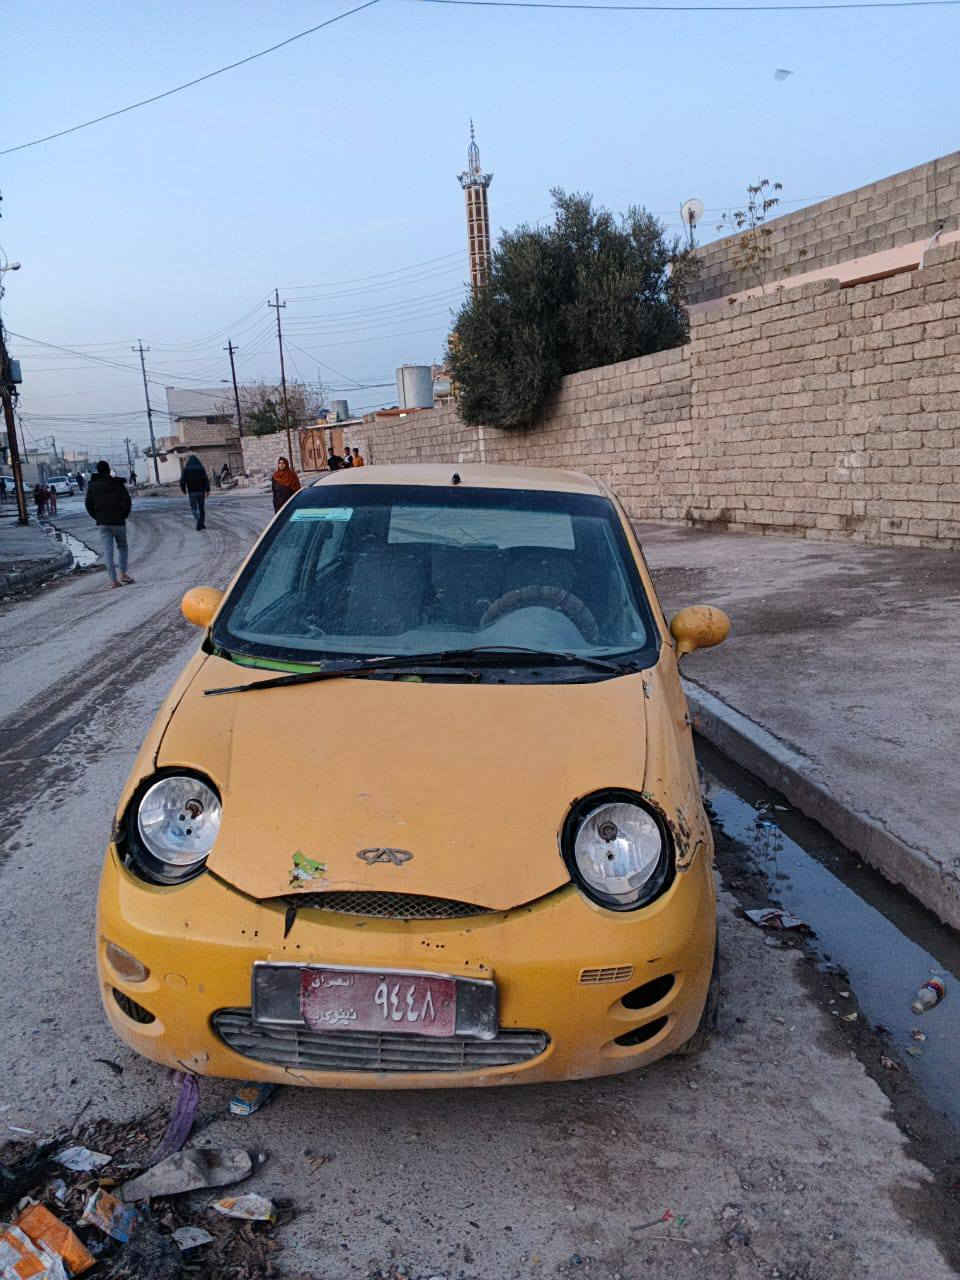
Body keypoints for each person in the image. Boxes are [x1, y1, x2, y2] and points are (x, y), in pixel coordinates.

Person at [85, 460, 133, 589]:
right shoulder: (117, 483)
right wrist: (123, 515)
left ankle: (113, 581)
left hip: (103, 523)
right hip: (118, 522)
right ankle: (123, 574)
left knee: (108, 552)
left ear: (98, 470)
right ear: (108, 470)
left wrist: (98, 517)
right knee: (122, 547)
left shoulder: (92, 485)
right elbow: (127, 501)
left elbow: (88, 505)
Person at [179, 455, 210, 530]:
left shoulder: (186, 469)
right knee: (201, 508)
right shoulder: (201, 468)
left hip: (192, 492)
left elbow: (182, 481)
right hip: (201, 492)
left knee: (194, 508)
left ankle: (199, 520)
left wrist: (183, 490)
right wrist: (207, 490)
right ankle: (201, 523)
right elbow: (206, 480)